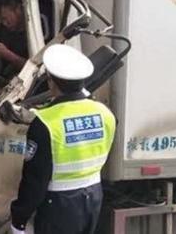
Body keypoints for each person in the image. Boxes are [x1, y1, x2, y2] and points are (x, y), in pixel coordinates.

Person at [10, 44, 116, 234]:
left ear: (51, 82)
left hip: (59, 205)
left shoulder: (46, 122)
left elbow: (35, 180)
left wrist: (19, 218)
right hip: (93, 198)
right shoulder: (105, 113)